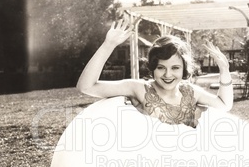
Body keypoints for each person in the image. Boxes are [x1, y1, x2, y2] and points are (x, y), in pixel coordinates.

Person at [77, 17, 233, 128]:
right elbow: (86, 87)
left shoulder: (190, 92)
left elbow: (224, 105)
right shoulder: (139, 88)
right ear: (152, 67)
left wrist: (224, 71)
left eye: (175, 68)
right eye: (161, 67)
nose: (168, 74)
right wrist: (108, 45)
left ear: (184, 69)